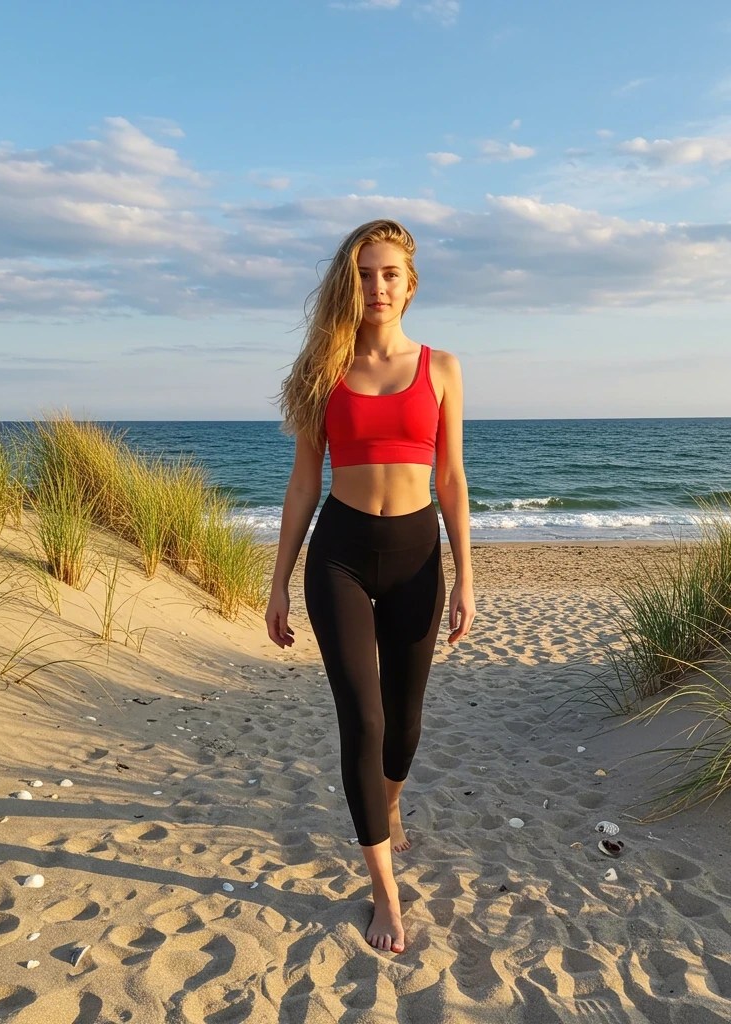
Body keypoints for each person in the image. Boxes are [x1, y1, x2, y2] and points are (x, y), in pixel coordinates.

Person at [266, 218, 475, 954]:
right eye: (363, 274)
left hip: (418, 554)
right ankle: (384, 892)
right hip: (341, 557)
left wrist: (466, 579)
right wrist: (279, 581)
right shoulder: (324, 369)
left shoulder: (442, 368)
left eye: (389, 274)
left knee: (405, 725)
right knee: (363, 721)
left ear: (410, 285)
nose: (376, 286)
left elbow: (450, 479)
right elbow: (301, 484)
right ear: (346, 285)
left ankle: (389, 807)